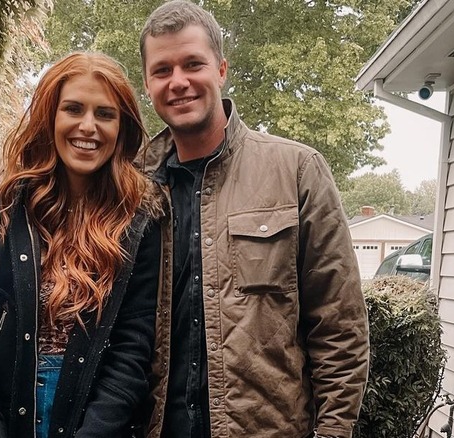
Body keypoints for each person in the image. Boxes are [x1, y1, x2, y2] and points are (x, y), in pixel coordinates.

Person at [135, 2, 370, 437]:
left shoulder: (296, 170)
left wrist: (334, 431)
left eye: (193, 64)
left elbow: (339, 323)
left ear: (221, 69)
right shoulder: (134, 188)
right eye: (162, 70)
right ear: (148, 83)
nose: (179, 82)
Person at [0, 52, 161, 438]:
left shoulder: (138, 219)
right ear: (50, 117)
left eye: (105, 114)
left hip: (91, 418)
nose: (88, 126)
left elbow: (132, 348)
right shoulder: (1, 204)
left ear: (122, 126)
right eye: (73, 109)